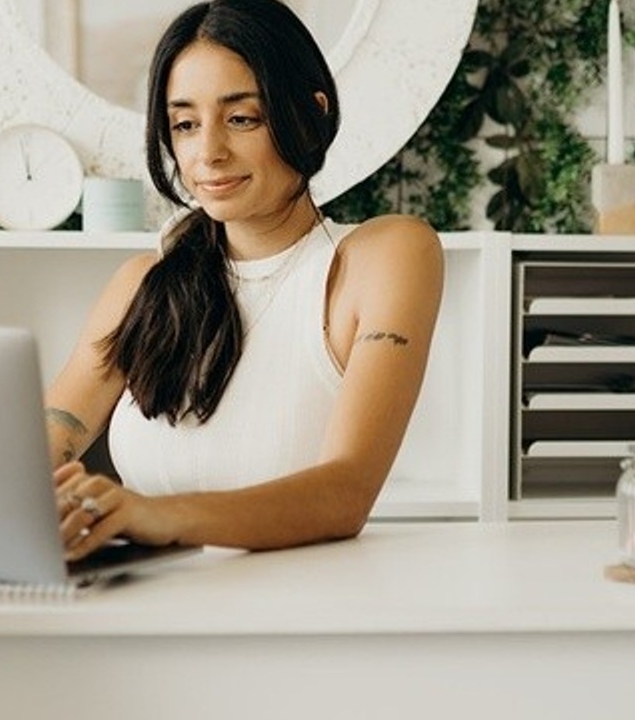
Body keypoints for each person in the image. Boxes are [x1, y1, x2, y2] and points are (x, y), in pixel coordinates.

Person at [44, 0, 443, 561]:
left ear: (309, 112)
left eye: (241, 118)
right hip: (142, 612)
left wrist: (151, 514)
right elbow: (53, 431)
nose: (208, 152)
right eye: (184, 124)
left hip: (300, 623)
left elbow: (346, 493)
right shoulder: (146, 282)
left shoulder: (383, 257)